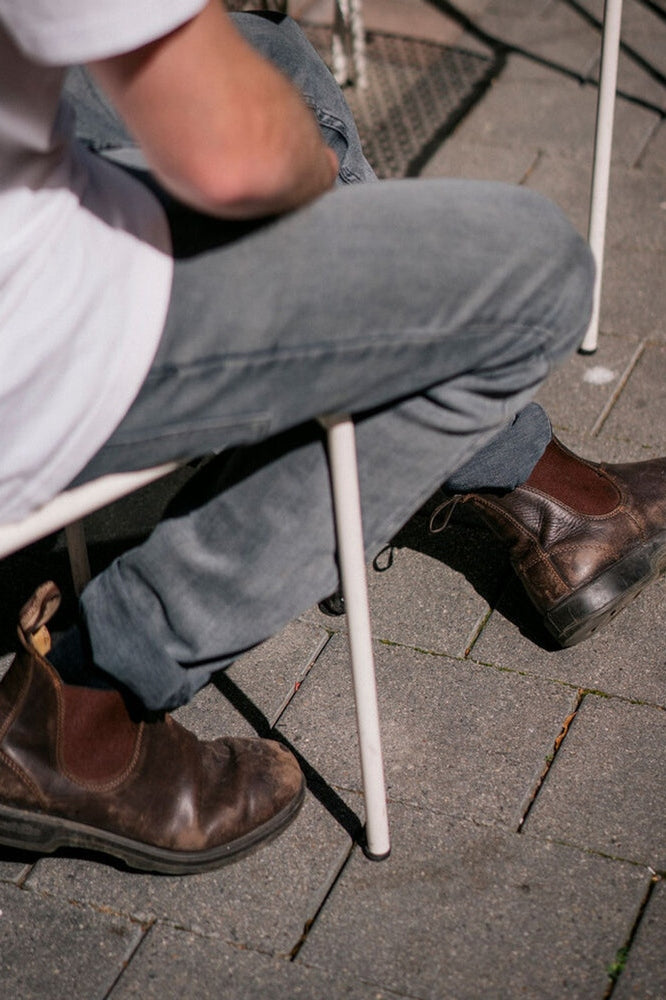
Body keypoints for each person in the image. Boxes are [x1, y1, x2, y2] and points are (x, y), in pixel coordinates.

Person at [1, 2, 664, 874]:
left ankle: (535, 483)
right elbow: (241, 157)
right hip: (35, 353)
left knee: (262, 42)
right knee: (532, 269)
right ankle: (83, 704)